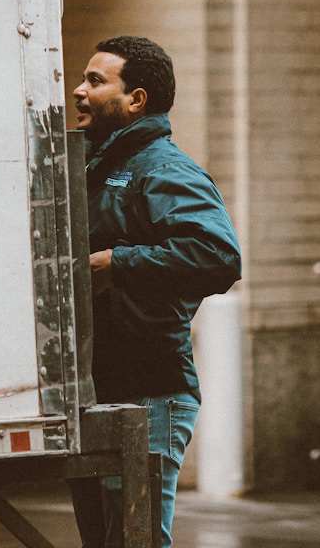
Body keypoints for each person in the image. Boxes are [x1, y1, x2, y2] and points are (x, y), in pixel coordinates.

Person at [68, 36, 242, 548]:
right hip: (102, 391)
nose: (79, 91)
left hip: (149, 394)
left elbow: (218, 256)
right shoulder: (99, 168)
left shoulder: (163, 168)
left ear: (135, 100)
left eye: (96, 81)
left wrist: (117, 263)